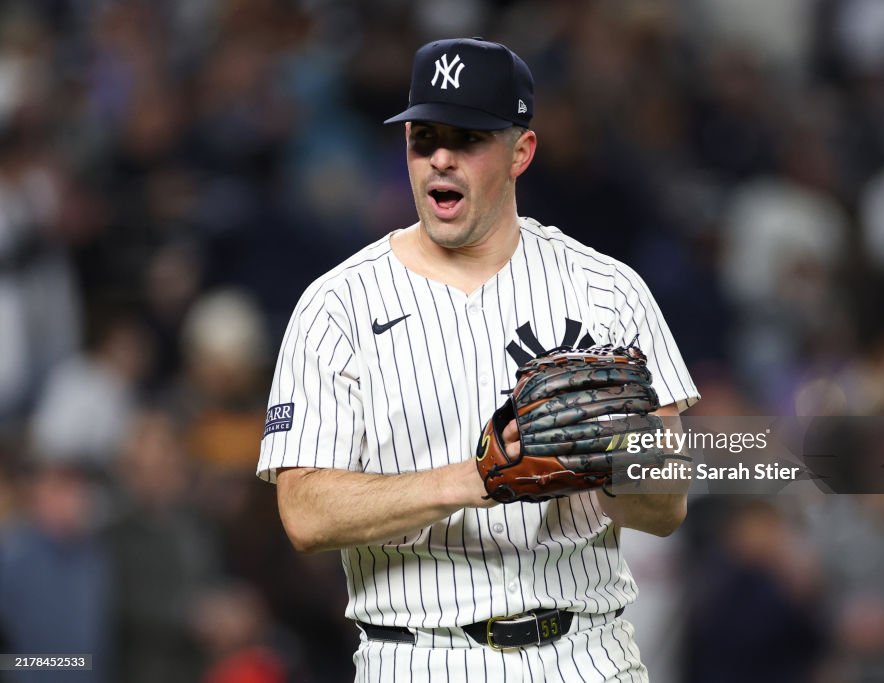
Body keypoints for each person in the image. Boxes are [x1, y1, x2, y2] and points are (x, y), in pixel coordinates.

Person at [257, 37, 700, 682]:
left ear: (521, 152)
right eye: (424, 138)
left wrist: (610, 463)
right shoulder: (338, 305)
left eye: (467, 139)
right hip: (415, 656)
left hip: (585, 652)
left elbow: (667, 507)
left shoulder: (607, 291)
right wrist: (478, 478)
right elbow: (304, 513)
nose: (440, 157)